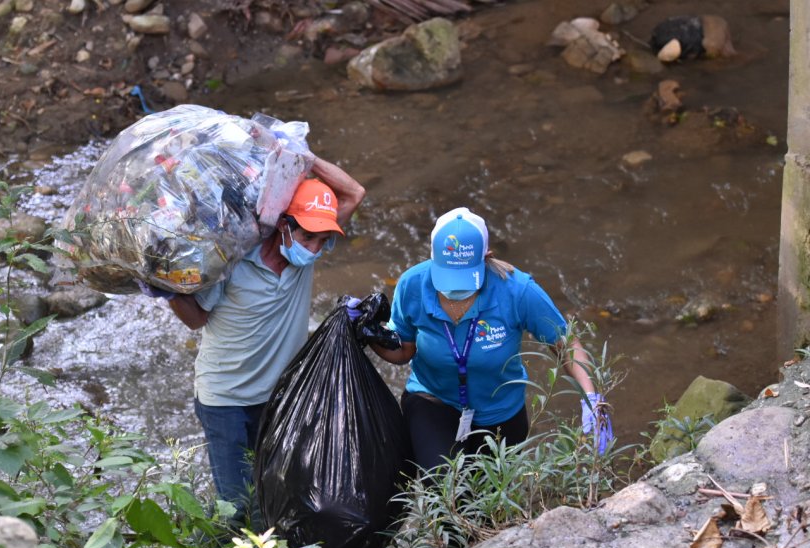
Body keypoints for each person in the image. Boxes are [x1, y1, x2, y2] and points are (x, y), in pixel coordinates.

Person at [144, 157, 365, 518]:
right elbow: (197, 321)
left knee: (276, 498)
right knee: (236, 507)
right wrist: (168, 289)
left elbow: (354, 192)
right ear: (282, 225)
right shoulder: (232, 260)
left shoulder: (305, 257)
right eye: (307, 236)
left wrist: (305, 159)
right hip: (225, 400)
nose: (313, 248)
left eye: (322, 239)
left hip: (277, 397)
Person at [368, 207, 613, 472]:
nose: (455, 287)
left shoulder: (517, 290)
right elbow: (403, 351)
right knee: (441, 485)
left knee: (491, 501)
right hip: (434, 400)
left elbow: (565, 343)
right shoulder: (412, 284)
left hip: (500, 414)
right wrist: (369, 333)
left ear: (487, 257)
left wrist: (592, 396)